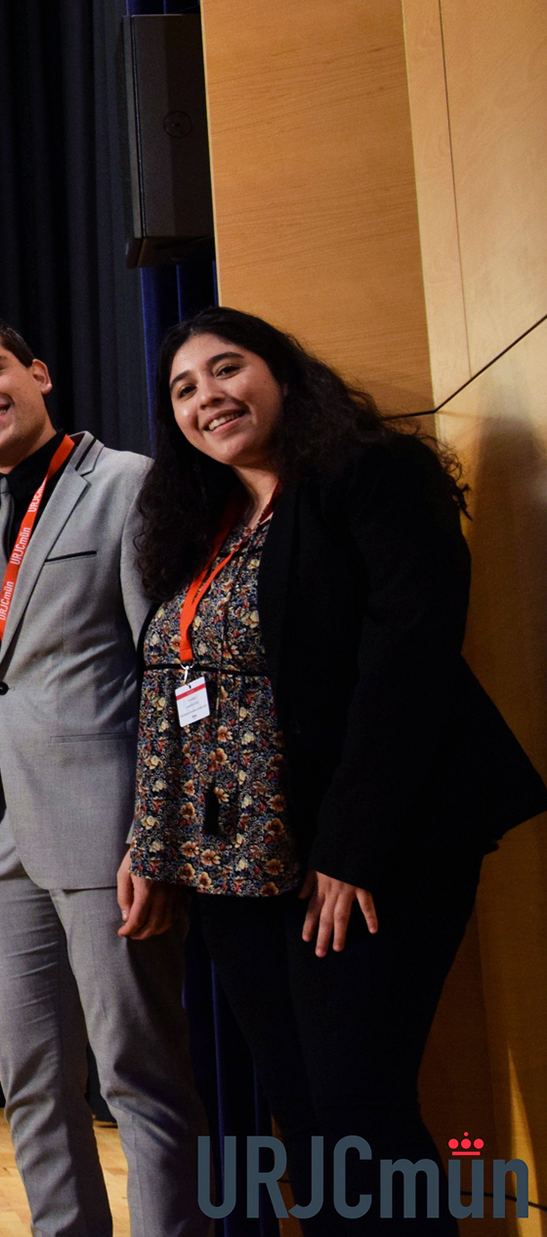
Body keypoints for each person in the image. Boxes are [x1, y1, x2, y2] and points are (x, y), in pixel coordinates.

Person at [129, 306, 547, 1234]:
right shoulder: (203, 526)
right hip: (241, 870)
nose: (207, 397)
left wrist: (350, 850)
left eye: (227, 368)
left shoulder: (371, 472)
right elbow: (171, 696)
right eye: (184, 389)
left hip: (367, 849)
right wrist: (153, 845)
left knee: (361, 1109)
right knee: (307, 1116)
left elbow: (409, 662)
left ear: (282, 371)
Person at [0, 315, 206, 1237]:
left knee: (138, 1078)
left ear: (38, 373)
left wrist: (154, 834)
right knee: (31, 1081)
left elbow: (168, 667)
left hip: (105, 828)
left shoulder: (127, 483)